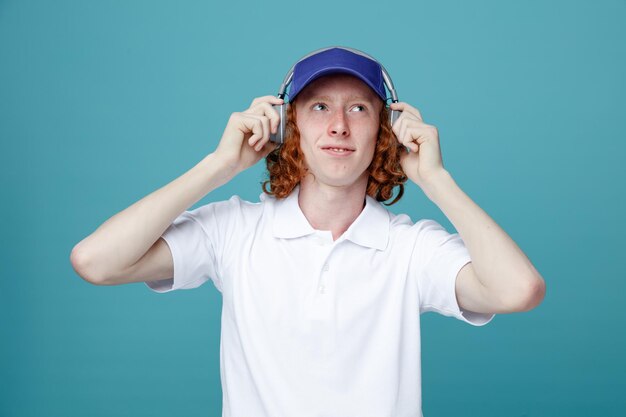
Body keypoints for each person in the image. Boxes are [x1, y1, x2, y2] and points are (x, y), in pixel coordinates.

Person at [70, 46, 546, 417]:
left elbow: (518, 290)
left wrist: (437, 182)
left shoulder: (410, 247)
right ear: (288, 125)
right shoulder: (236, 230)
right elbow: (96, 261)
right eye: (319, 106)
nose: (339, 126)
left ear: (386, 130)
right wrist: (218, 166)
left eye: (359, 109)